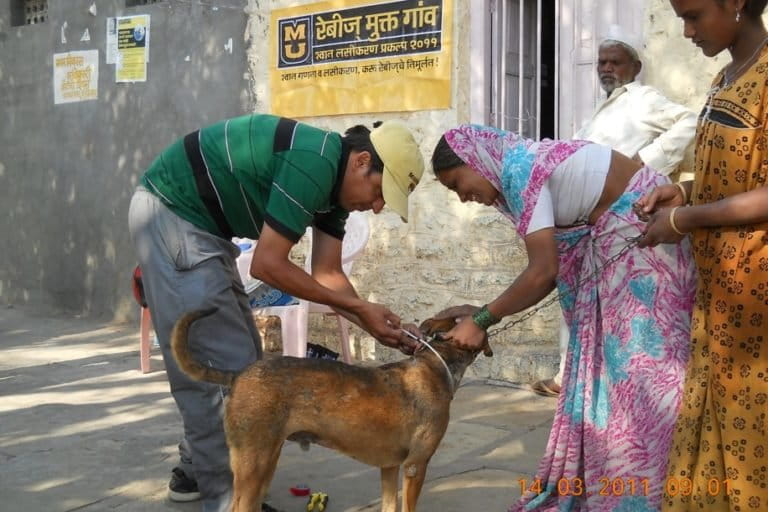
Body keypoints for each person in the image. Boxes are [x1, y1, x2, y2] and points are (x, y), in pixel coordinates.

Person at [128, 114, 424, 512]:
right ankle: (227, 500)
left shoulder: (335, 195)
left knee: (248, 370)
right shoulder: (315, 163)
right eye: (378, 191)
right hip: (173, 214)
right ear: (360, 161)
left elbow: (329, 274)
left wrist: (368, 320)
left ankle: (196, 469)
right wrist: (359, 308)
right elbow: (266, 265)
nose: (375, 206)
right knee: (222, 370)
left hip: (203, 227)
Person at [429, 124, 696, 511]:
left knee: (637, 384)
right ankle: (619, 489)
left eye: (457, 183)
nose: (463, 197)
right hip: (633, 240)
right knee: (611, 386)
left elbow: (542, 271)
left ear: (475, 159)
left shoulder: (518, 169)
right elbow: (544, 272)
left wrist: (484, 319)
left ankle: (644, 498)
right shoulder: (519, 169)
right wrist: (480, 313)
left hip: (647, 237)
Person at [636, 0, 768, 509]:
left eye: (693, 16)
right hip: (719, 292)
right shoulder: (725, 77)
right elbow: (734, 175)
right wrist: (685, 193)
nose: (686, 31)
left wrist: (685, 221)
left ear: (735, 3)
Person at [532, 24, 698, 398]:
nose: (606, 68)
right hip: (588, 219)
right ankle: (569, 376)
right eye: (602, 62)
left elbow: (690, 121)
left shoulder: (643, 99)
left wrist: (646, 163)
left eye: (615, 62)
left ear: (635, 67)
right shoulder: (600, 110)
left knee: (626, 303)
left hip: (625, 213)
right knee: (578, 295)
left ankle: (629, 384)